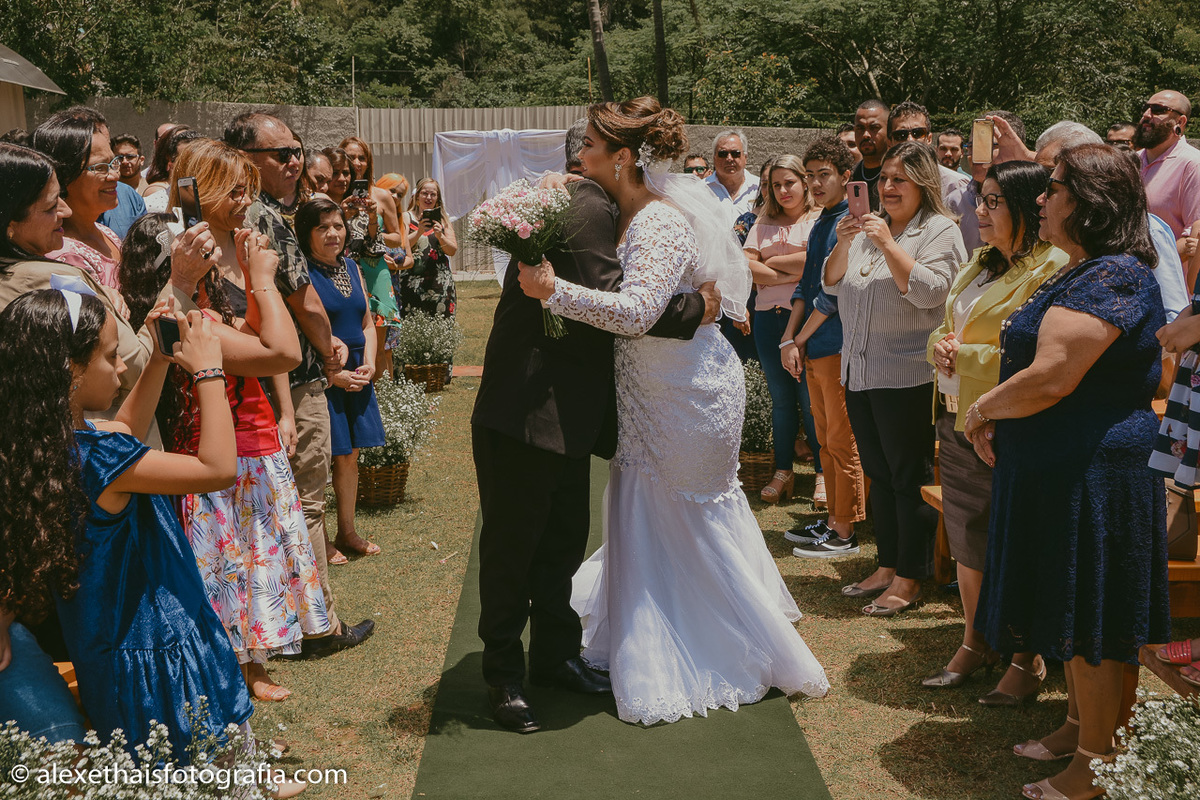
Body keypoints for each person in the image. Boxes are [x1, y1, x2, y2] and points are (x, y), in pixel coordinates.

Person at [517, 97, 828, 727]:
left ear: (623, 157)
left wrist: (553, 292)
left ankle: (712, 640)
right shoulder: (626, 208)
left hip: (685, 392)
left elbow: (636, 313)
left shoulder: (658, 223)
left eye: (590, 148)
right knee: (653, 505)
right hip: (650, 387)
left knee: (678, 508)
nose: (580, 157)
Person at [471, 115, 716, 733]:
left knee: (558, 543)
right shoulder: (583, 203)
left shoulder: (605, 204)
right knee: (512, 550)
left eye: (587, 146)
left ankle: (553, 658)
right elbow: (624, 300)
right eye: (581, 147)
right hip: (526, 409)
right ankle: (503, 676)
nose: (578, 156)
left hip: (565, 407)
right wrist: (699, 306)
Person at [967, 144, 1169, 800]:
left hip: (1097, 471)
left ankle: (1095, 764)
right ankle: (1079, 725)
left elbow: (1054, 373)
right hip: (1063, 466)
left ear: (1089, 203)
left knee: (1097, 618)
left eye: (1053, 189)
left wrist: (984, 409)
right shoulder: (1080, 269)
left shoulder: (1117, 275)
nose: (1042, 199)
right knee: (1073, 606)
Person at [0, 285, 251, 758]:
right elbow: (217, 468)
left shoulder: (50, 448)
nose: (120, 366)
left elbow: (125, 430)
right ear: (70, 370)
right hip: (155, 645)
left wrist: (157, 358)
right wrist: (209, 371)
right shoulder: (101, 459)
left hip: (111, 654)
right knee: (193, 762)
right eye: (113, 356)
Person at [159, 139, 328, 702]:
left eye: (249, 189)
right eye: (234, 190)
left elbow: (267, 338)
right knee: (223, 557)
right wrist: (260, 278)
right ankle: (230, 664)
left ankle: (255, 661)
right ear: (196, 191)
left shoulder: (246, 247)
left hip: (253, 418)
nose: (245, 200)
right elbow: (277, 347)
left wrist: (283, 408)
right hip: (207, 428)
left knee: (258, 552)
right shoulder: (184, 261)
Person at [226, 112, 375, 655]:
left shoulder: (251, 213)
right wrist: (329, 349)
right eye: (281, 153)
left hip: (254, 382)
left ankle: (282, 622)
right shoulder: (262, 216)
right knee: (304, 504)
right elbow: (301, 298)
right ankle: (320, 626)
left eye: (297, 150)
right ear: (246, 159)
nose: (295, 162)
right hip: (290, 381)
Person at [920, 161, 1068, 703]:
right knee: (967, 538)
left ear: (1030, 207)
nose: (978, 211)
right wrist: (939, 342)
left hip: (1008, 424)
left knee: (1015, 540)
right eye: (979, 199)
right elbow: (950, 321)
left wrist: (966, 355)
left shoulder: (1052, 267)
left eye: (993, 201)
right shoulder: (980, 262)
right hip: (957, 416)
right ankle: (975, 640)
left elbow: (1036, 352)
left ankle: (1026, 656)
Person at [823, 141, 966, 615]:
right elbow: (829, 283)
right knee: (880, 475)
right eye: (882, 178)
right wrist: (845, 243)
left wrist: (886, 243)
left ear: (923, 183)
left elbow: (932, 294)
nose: (886, 187)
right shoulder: (865, 229)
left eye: (898, 179)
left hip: (908, 374)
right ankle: (887, 565)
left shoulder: (940, 230)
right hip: (860, 371)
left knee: (909, 477)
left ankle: (911, 576)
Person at [782, 135, 866, 558]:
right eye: (809, 175)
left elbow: (830, 296)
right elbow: (804, 286)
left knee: (839, 438)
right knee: (822, 438)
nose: (815, 183)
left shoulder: (847, 224)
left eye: (824, 175)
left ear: (845, 177)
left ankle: (845, 530)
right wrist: (788, 338)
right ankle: (833, 517)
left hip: (835, 344)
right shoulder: (820, 222)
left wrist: (798, 338)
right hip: (813, 345)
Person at [296, 197, 386, 563]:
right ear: (306, 234)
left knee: (350, 455)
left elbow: (367, 321)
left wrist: (370, 362)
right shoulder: (302, 271)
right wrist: (333, 375)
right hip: (324, 375)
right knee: (321, 457)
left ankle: (346, 531)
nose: (333, 233)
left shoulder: (351, 265)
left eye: (337, 225)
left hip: (358, 374)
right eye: (322, 227)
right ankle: (319, 538)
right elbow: (301, 330)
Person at [743, 154, 822, 503]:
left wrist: (770, 263)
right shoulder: (762, 222)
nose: (782, 190)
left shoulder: (818, 220)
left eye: (788, 182)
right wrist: (788, 273)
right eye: (775, 185)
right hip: (766, 319)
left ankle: (821, 473)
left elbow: (816, 263)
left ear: (804, 181)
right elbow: (744, 265)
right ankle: (783, 470)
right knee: (781, 401)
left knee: (810, 400)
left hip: (806, 320)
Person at [33, 111, 125, 294]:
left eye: (114, 162)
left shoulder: (105, 232)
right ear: (65, 176)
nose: (114, 175)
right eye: (100, 167)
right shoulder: (64, 256)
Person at [334, 137, 403, 382]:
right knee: (351, 337)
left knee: (381, 345)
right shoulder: (336, 192)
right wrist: (343, 212)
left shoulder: (382, 195)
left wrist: (374, 225)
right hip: (346, 271)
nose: (357, 163)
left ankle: (381, 403)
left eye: (362, 157)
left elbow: (397, 237)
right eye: (351, 157)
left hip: (376, 273)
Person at [1137, 90, 1200, 248]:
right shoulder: (1130, 161)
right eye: (1146, 108)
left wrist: (1144, 263)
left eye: (1158, 110)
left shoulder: (1192, 164)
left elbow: (1193, 238)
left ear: (1180, 121)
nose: (1146, 114)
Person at [402, 178, 458, 318]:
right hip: (411, 284)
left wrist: (441, 236)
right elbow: (401, 246)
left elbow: (452, 250)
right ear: (417, 196)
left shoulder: (444, 220)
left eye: (433, 194)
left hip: (439, 286)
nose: (428, 197)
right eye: (425, 193)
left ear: (437, 198)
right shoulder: (405, 217)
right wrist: (419, 231)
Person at [141, 125, 203, 213]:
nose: (195, 166)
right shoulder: (152, 206)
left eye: (200, 160)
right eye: (186, 160)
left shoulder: (222, 204)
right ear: (171, 164)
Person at [704, 130, 759, 225]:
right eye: (723, 154)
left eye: (735, 153)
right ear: (714, 158)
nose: (729, 158)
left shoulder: (759, 188)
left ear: (745, 157)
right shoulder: (701, 190)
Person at [851, 99, 891, 212]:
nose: (866, 135)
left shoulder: (899, 176)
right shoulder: (849, 177)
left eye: (874, 128)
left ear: (888, 130)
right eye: (860, 128)